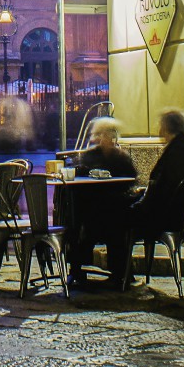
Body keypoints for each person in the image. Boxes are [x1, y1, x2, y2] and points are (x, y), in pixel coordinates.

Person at [108, 108, 184, 290]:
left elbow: (160, 193)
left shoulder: (175, 154)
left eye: (161, 126)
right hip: (180, 217)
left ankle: (121, 275)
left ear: (167, 128)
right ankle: (123, 275)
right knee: (121, 211)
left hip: (162, 217)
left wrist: (138, 201)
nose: (159, 130)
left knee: (116, 217)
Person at [64, 116, 137, 287]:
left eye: (107, 134)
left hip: (108, 208)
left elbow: (131, 180)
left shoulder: (119, 157)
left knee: (99, 225)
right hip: (97, 207)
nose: (104, 138)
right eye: (102, 134)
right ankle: (80, 268)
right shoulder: (93, 156)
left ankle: (81, 268)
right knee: (88, 223)